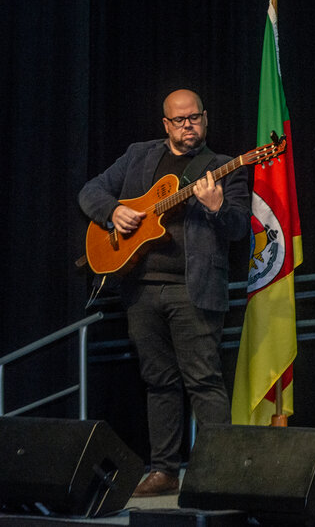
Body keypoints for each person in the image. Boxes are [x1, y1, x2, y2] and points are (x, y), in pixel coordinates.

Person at [79, 89, 250, 497]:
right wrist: (112, 211)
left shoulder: (224, 167)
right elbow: (91, 191)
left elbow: (240, 227)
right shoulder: (139, 155)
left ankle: (217, 472)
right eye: (180, 120)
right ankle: (164, 471)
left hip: (194, 291)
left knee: (204, 381)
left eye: (194, 118)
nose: (188, 125)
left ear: (205, 119)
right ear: (166, 125)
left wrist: (215, 208)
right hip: (140, 289)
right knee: (158, 381)